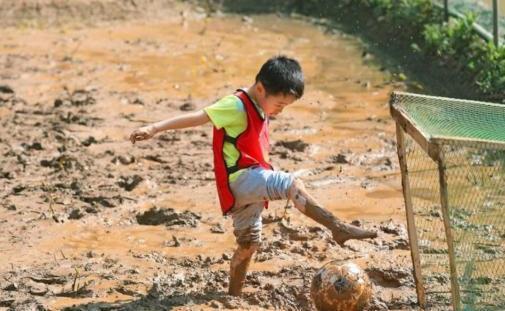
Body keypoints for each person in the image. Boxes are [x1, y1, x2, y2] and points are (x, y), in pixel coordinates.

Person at [129, 55, 377, 296]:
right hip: (242, 179)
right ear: (260, 88)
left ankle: (232, 297)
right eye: (280, 104)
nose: (281, 110)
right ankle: (337, 227)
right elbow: (199, 116)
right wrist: (154, 128)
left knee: (249, 244)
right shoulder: (235, 104)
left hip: (249, 187)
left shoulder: (260, 104)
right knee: (291, 183)